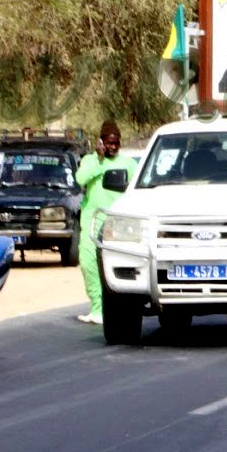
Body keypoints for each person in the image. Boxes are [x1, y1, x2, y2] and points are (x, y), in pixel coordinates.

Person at [73, 121, 137, 324]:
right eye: (110, 143)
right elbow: (80, 179)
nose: (114, 147)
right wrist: (98, 161)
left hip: (118, 224)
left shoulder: (129, 164)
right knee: (88, 264)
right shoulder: (91, 161)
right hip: (92, 222)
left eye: (116, 143)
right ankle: (97, 309)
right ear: (101, 142)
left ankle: (118, 308)